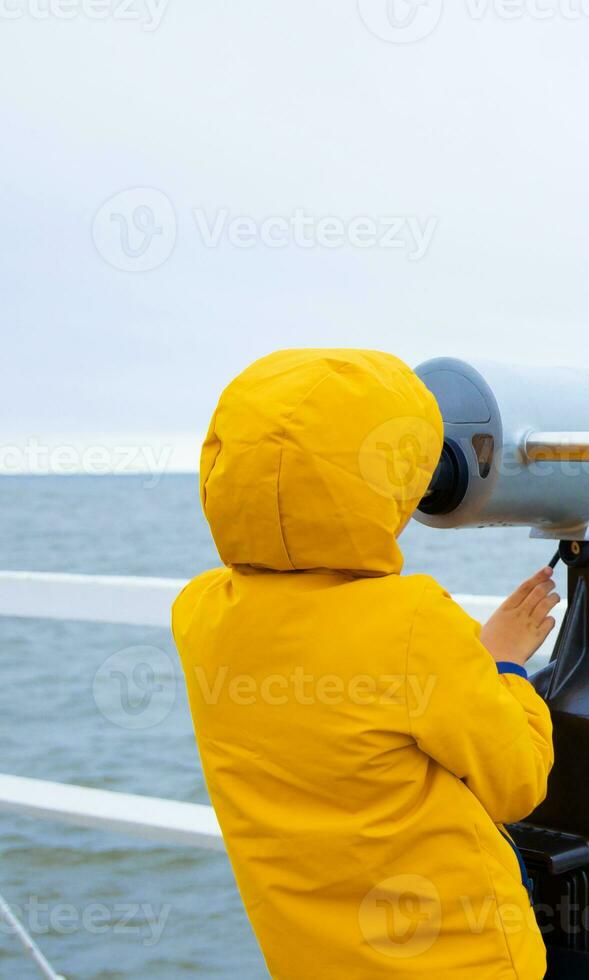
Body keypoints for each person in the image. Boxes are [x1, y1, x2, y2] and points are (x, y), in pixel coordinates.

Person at [171, 348, 558, 978]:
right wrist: (502, 667)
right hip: (462, 959)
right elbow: (516, 783)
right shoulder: (411, 624)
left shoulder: (198, 613)